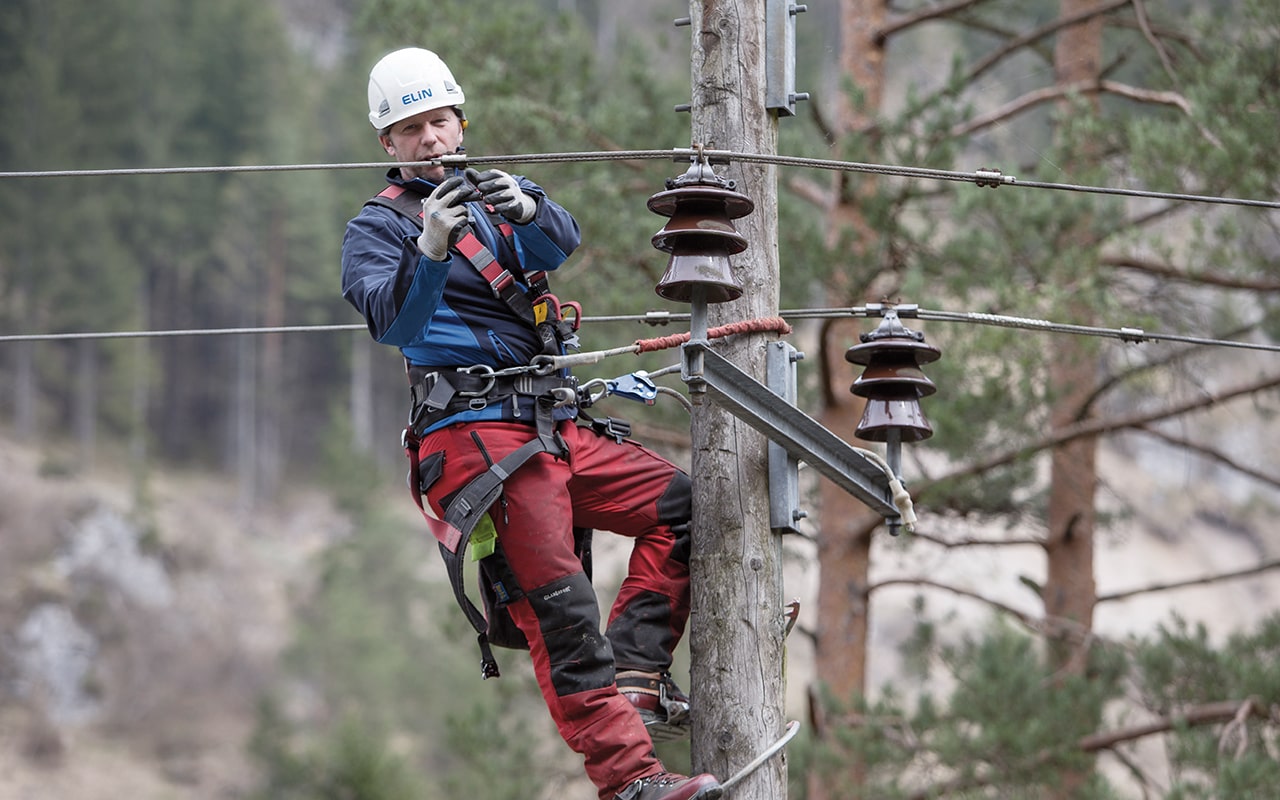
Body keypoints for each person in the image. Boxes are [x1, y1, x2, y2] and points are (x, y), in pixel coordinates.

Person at [340, 47, 720, 800]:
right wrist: (430, 247)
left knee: (683, 507)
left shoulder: (494, 197)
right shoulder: (375, 230)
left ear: (461, 121)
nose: (431, 139)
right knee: (560, 604)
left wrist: (528, 207)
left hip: (548, 422)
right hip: (476, 435)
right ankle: (630, 781)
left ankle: (638, 676)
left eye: (440, 121)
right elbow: (394, 323)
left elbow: (558, 243)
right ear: (389, 144)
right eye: (411, 129)